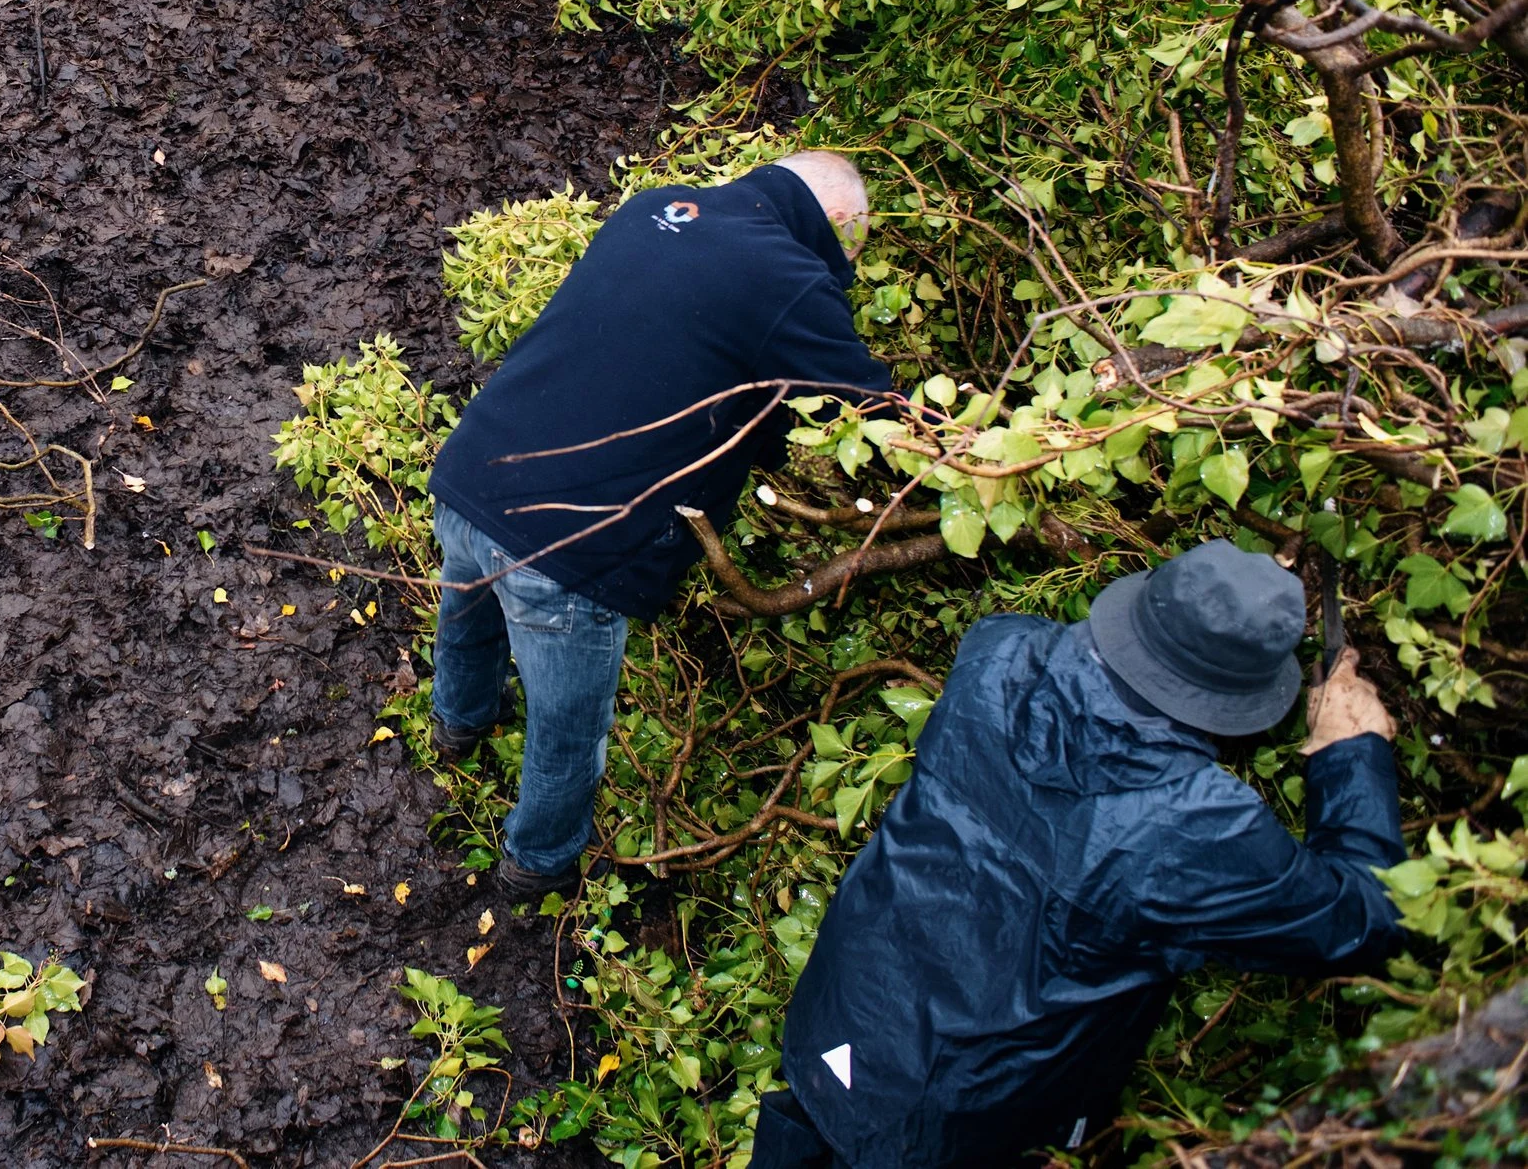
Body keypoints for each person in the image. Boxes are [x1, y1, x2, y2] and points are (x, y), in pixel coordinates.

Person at [757, 539, 1403, 1169]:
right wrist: (1351, 754)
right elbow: (1366, 919)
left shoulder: (997, 647)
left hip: (842, 1020)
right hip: (947, 1121)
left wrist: (1222, 596)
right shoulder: (1194, 828)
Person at [426, 152, 893, 898]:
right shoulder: (792, 278)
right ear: (834, 227)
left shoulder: (661, 204)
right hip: (572, 544)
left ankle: (457, 723)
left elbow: (666, 346)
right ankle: (537, 865)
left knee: (469, 599)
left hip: (474, 467)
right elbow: (873, 414)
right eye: (851, 256)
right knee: (568, 728)